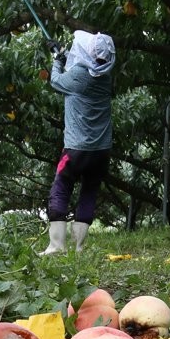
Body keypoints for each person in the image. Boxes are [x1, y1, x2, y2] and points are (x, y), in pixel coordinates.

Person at [41, 30, 116, 254]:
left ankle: (57, 246)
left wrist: (57, 61)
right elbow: (80, 66)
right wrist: (64, 56)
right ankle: (80, 247)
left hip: (76, 149)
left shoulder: (79, 78)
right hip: (101, 150)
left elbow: (55, 80)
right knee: (89, 191)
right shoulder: (105, 77)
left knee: (61, 187)